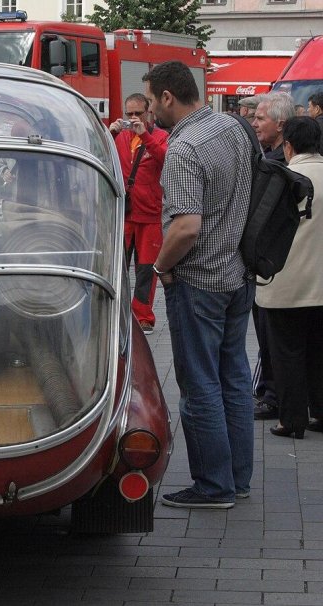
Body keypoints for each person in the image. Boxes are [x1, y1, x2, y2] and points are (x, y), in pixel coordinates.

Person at [144, 61, 254, 509]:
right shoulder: (231, 127)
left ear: (168, 96)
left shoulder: (185, 147)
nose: (150, 110)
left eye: (151, 101)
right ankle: (237, 479)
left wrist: (159, 267)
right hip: (238, 274)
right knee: (234, 378)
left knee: (200, 384)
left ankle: (213, 485)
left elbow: (186, 226)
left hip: (199, 281)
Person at [255, 117, 323, 439]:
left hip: (286, 282)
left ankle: (292, 420)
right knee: (319, 351)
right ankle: (320, 412)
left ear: (289, 146)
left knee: (286, 353)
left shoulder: (282, 178)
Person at [250, 91, 295, 421]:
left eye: (260, 118)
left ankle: (274, 394)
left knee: (274, 335)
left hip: (275, 266)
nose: (254, 123)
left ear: (280, 125)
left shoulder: (280, 165)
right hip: (270, 265)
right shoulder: (268, 156)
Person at [108, 93, 168, 335]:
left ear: (148, 112)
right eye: (129, 113)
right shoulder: (120, 136)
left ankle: (143, 316)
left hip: (149, 215)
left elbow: (166, 159)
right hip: (124, 212)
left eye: (138, 113)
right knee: (118, 266)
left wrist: (145, 135)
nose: (133, 118)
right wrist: (110, 135)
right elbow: (99, 155)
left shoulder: (160, 137)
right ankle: (119, 313)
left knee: (146, 270)